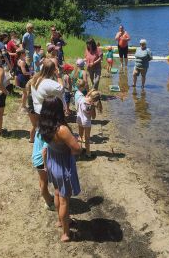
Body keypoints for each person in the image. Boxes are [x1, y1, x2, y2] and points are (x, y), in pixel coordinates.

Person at [38, 96, 81, 242]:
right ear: (57, 110)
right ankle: (66, 233)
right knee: (64, 201)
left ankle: (60, 220)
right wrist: (74, 146)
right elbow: (77, 149)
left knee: (57, 193)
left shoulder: (43, 125)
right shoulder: (61, 129)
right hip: (62, 165)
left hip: (52, 161)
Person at [76, 89, 102, 158]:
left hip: (79, 119)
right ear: (95, 100)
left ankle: (80, 150)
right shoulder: (91, 106)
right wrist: (93, 108)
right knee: (87, 138)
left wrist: (90, 91)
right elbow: (93, 117)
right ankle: (88, 153)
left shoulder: (81, 99)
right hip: (86, 122)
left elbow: (87, 96)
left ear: (90, 95)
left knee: (80, 136)